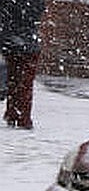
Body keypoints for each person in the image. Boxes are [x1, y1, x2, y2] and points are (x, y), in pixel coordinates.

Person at [0, 0, 45, 129]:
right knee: (24, 83)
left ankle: (13, 114)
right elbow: (36, 13)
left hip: (11, 42)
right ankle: (21, 116)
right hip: (28, 43)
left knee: (13, 79)